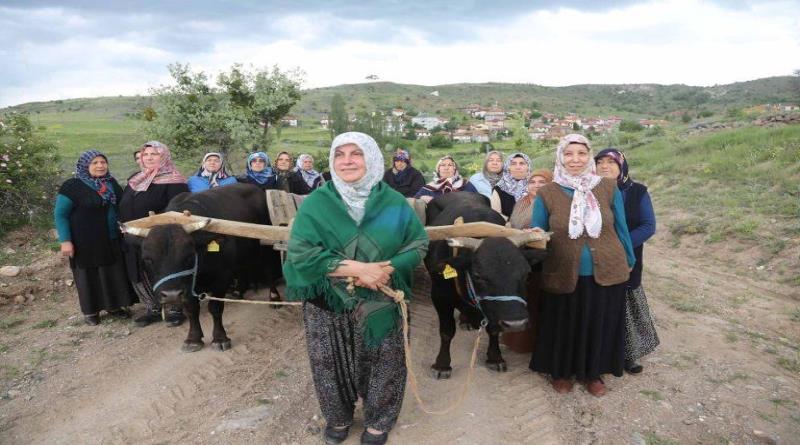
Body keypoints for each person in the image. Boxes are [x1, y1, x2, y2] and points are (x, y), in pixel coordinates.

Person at [284, 132, 428, 445]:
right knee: (329, 363)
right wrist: (360, 269)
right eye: (340, 154)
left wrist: (383, 270)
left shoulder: (394, 202)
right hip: (327, 300)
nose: (347, 160)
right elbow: (301, 251)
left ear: (372, 158)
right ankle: (338, 418)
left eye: (356, 153)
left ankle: (378, 421)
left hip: (381, 295)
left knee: (386, 361)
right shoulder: (316, 204)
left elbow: (418, 244)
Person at [528, 134, 636, 397]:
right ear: (560, 157)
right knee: (564, 322)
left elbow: (621, 227)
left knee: (599, 322)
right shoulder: (547, 193)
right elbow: (539, 234)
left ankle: (593, 374)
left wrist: (629, 260)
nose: (575, 159)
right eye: (569, 153)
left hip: (607, 268)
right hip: (563, 270)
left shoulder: (608, 187)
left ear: (589, 157)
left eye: (581, 153)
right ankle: (562, 371)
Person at [54, 150, 137, 325]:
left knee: (113, 273)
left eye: (103, 162)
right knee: (88, 276)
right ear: (85, 166)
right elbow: (60, 215)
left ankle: (114, 307)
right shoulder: (72, 186)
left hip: (111, 238)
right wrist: (65, 241)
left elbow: (120, 207)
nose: (100, 166)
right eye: (95, 163)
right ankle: (91, 312)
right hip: (84, 241)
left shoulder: (111, 183)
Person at [595, 148, 659, 374]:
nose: (604, 166)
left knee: (626, 306)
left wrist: (619, 246)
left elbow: (648, 225)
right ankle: (600, 353)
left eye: (611, 162)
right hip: (595, 258)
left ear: (622, 165)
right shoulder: (589, 191)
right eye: (600, 162)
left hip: (626, 258)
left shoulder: (637, 191)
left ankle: (629, 354)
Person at [119, 141, 189, 327]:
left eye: (154, 154)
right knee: (139, 272)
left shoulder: (175, 181)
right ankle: (153, 308)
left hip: (160, 239)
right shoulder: (136, 180)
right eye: (146, 154)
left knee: (165, 271)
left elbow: (178, 211)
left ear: (163, 156)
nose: (149, 158)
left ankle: (175, 310)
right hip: (133, 236)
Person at [501, 168, 553, 354]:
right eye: (533, 182)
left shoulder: (550, 202)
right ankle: (517, 341)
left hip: (540, 257)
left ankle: (535, 343)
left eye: (542, 182)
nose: (536, 185)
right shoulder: (521, 202)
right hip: (520, 255)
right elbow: (514, 225)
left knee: (537, 298)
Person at [413, 155, 478, 203]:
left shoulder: (465, 184)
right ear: (438, 169)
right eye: (443, 165)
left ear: (454, 169)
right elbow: (414, 201)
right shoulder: (428, 188)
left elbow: (478, 201)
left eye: (450, 165)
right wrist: (421, 198)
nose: (446, 168)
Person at [490, 152, 532, 218]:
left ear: (528, 167)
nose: (518, 167)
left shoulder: (536, 185)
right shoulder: (499, 189)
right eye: (513, 164)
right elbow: (495, 214)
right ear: (508, 167)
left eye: (522, 163)